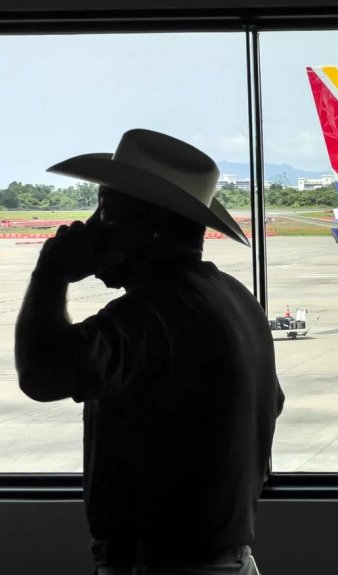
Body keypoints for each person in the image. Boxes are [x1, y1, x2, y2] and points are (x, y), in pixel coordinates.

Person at [14, 129, 285, 574]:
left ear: (152, 228)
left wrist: (51, 272)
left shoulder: (152, 315)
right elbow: (271, 404)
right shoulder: (236, 298)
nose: (91, 228)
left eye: (108, 213)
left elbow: (41, 375)